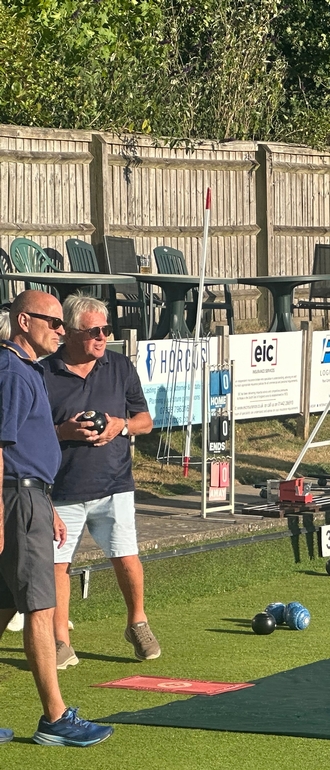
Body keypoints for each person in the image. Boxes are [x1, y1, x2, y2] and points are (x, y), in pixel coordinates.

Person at [0, 290, 113, 747]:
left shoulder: (24, 369)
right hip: (16, 499)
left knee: (7, 605)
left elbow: (25, 448)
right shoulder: (12, 370)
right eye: (54, 322)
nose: (62, 331)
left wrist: (44, 504)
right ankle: (55, 718)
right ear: (24, 321)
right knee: (40, 609)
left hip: (29, 497)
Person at [43, 294, 159, 669]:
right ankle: (60, 641)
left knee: (127, 557)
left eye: (106, 330)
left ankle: (137, 622)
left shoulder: (119, 365)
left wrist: (120, 426)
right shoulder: (43, 372)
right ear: (70, 332)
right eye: (94, 330)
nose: (102, 337)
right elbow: (30, 433)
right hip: (61, 489)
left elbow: (144, 421)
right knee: (58, 566)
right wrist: (63, 431)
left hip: (114, 484)